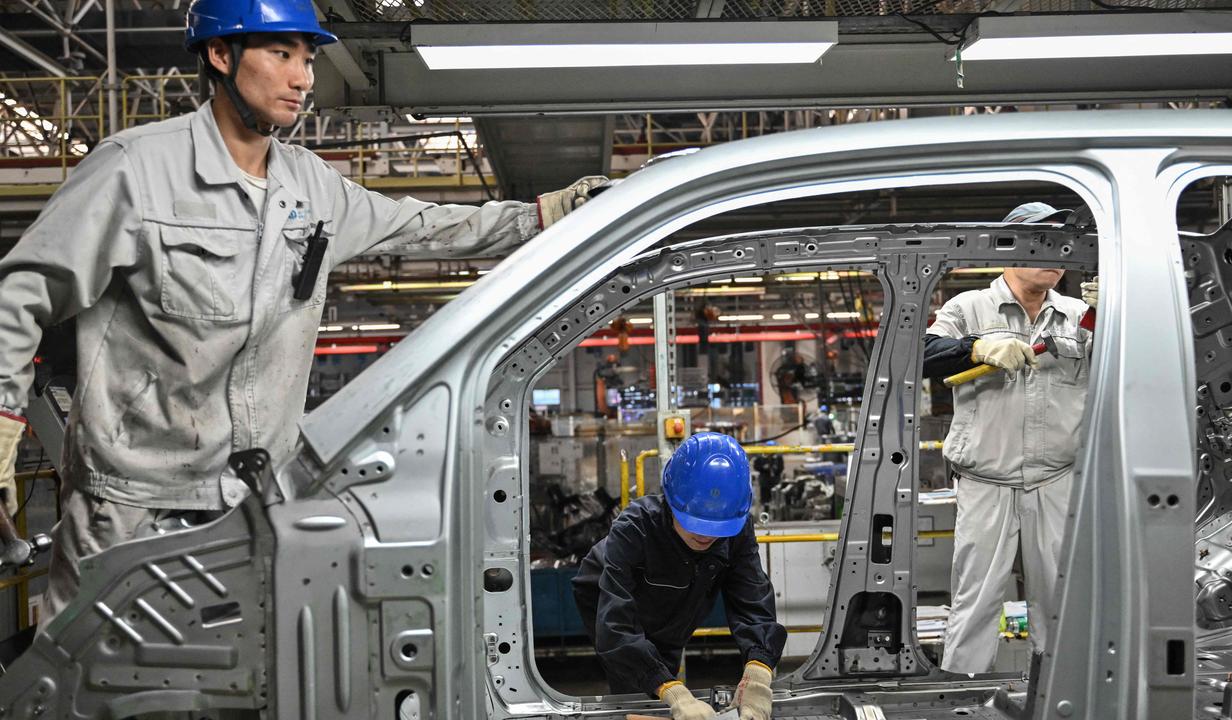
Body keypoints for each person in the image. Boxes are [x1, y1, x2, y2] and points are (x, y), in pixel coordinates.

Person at [0, 0, 607, 630]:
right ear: (220, 55)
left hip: (251, 510)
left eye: (309, 58)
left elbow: (429, 226)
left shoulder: (310, 187)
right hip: (129, 513)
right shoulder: (135, 169)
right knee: (101, 689)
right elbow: (21, 294)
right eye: (282, 54)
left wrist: (547, 214)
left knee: (239, 692)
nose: (304, 78)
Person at [921, 202, 1097, 674]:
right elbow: (921, 354)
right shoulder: (968, 307)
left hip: (1057, 481)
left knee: (1062, 606)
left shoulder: (1081, 315)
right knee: (976, 604)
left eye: (1064, 246)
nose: (1056, 255)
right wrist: (975, 346)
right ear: (1009, 248)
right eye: (1042, 243)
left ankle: (1060, 699)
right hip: (987, 482)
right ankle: (958, 697)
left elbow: (1130, 366)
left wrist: (1118, 314)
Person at [572, 432, 785, 720]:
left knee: (665, 659)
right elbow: (616, 625)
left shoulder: (735, 526)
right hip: (607, 594)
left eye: (718, 527)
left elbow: (752, 597)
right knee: (638, 686)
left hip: (677, 595)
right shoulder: (634, 527)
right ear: (672, 502)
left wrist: (759, 672)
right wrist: (672, 692)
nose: (707, 535)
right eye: (696, 523)